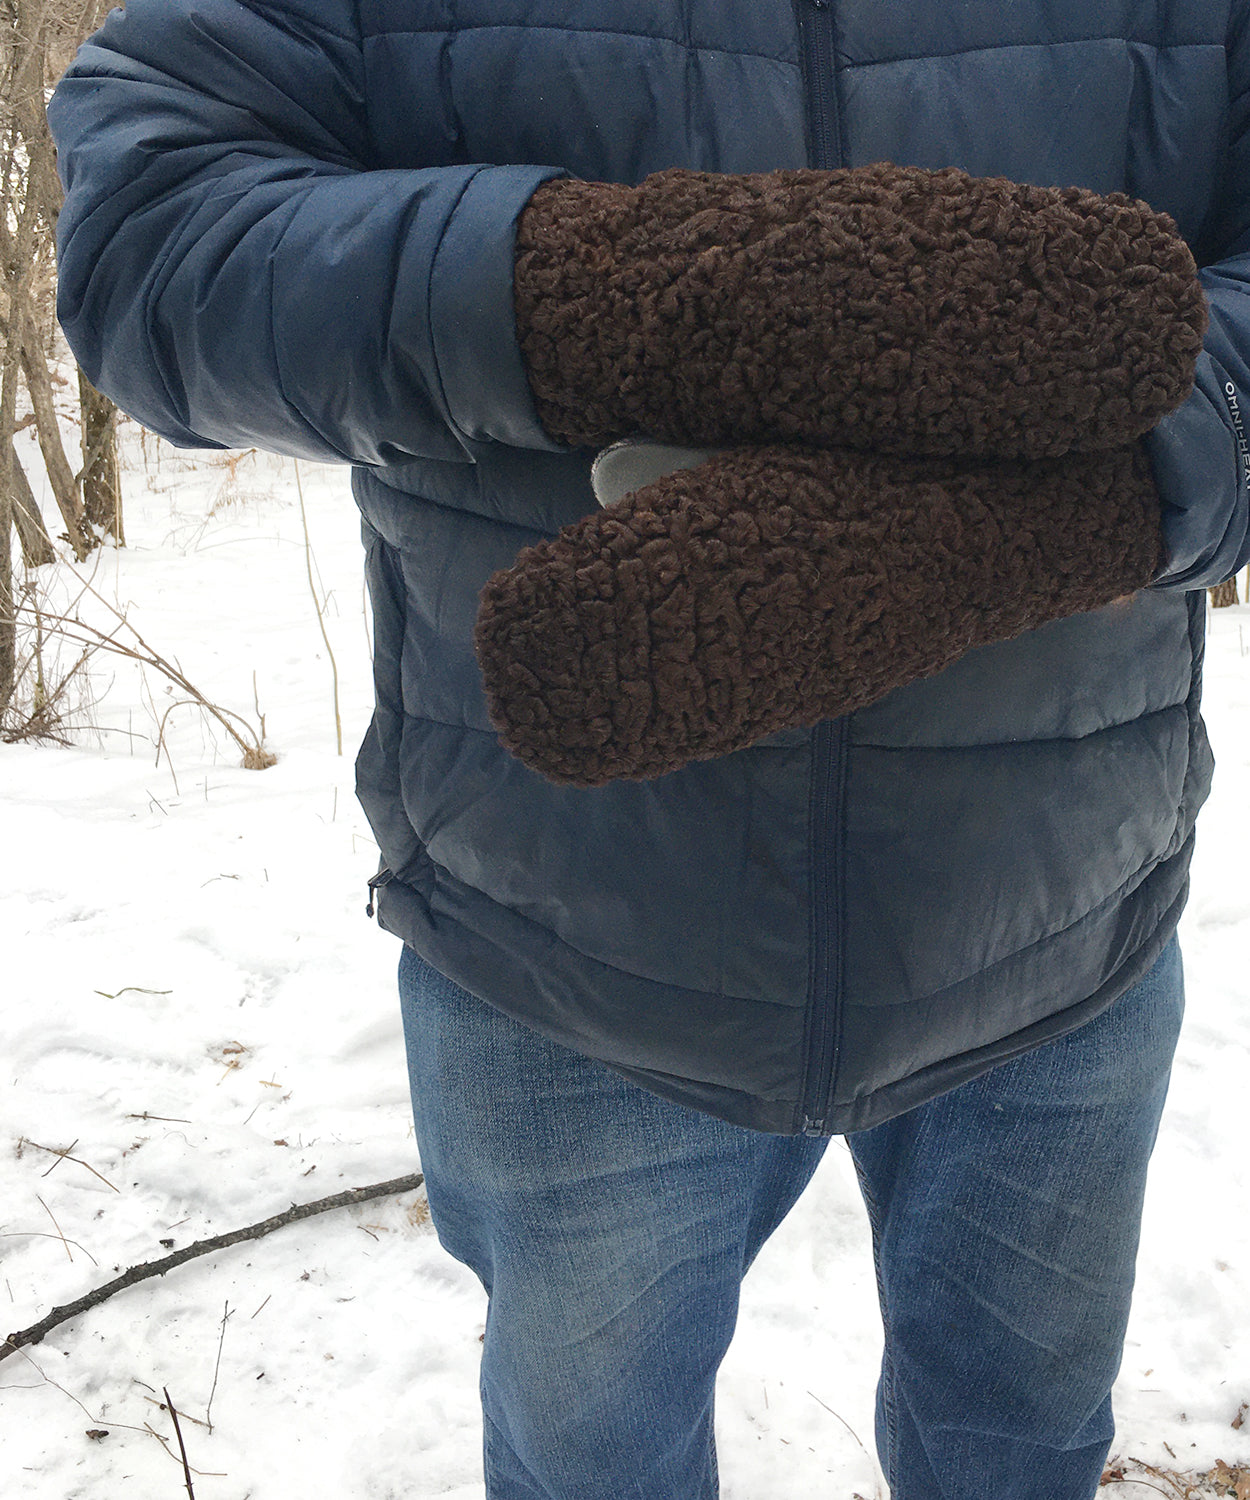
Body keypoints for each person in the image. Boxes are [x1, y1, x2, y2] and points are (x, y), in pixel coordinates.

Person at [48, 3, 1249, 1497]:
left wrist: (1090, 502)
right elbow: (152, 237)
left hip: (1060, 919)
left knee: (1020, 1448)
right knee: (591, 1465)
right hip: (572, 942)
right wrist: (609, 295)